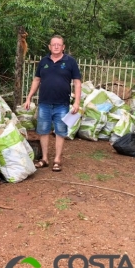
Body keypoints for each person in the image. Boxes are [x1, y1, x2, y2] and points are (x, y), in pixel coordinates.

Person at [24, 35, 81, 172]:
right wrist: (29, 97)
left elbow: (77, 83)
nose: (56, 46)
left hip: (62, 104)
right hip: (44, 103)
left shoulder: (70, 62)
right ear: (49, 47)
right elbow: (36, 80)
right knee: (43, 131)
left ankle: (57, 160)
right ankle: (44, 159)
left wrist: (77, 102)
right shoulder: (44, 61)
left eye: (59, 44)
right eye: (53, 44)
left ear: (63, 47)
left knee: (60, 132)